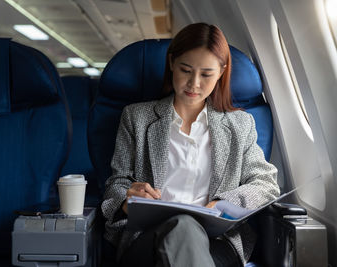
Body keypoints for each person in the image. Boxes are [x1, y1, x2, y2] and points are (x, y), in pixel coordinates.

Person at [101, 22, 280, 267]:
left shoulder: (240, 124)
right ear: (172, 63)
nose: (194, 84)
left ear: (221, 72)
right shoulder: (137, 118)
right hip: (148, 238)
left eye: (206, 74)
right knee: (182, 226)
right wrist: (126, 200)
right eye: (186, 70)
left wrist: (225, 204)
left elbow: (265, 183)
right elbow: (117, 182)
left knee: (187, 233)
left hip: (216, 241)